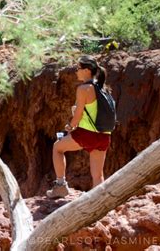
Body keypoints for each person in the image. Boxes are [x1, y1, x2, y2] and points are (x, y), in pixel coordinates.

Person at [46, 55, 112, 198]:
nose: (76, 71)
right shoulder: (103, 89)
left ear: (87, 70)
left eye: (78, 68)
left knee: (57, 148)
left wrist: (69, 126)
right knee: (98, 175)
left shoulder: (84, 89)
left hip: (87, 134)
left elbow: (78, 116)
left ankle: (61, 186)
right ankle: (98, 203)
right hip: (104, 135)